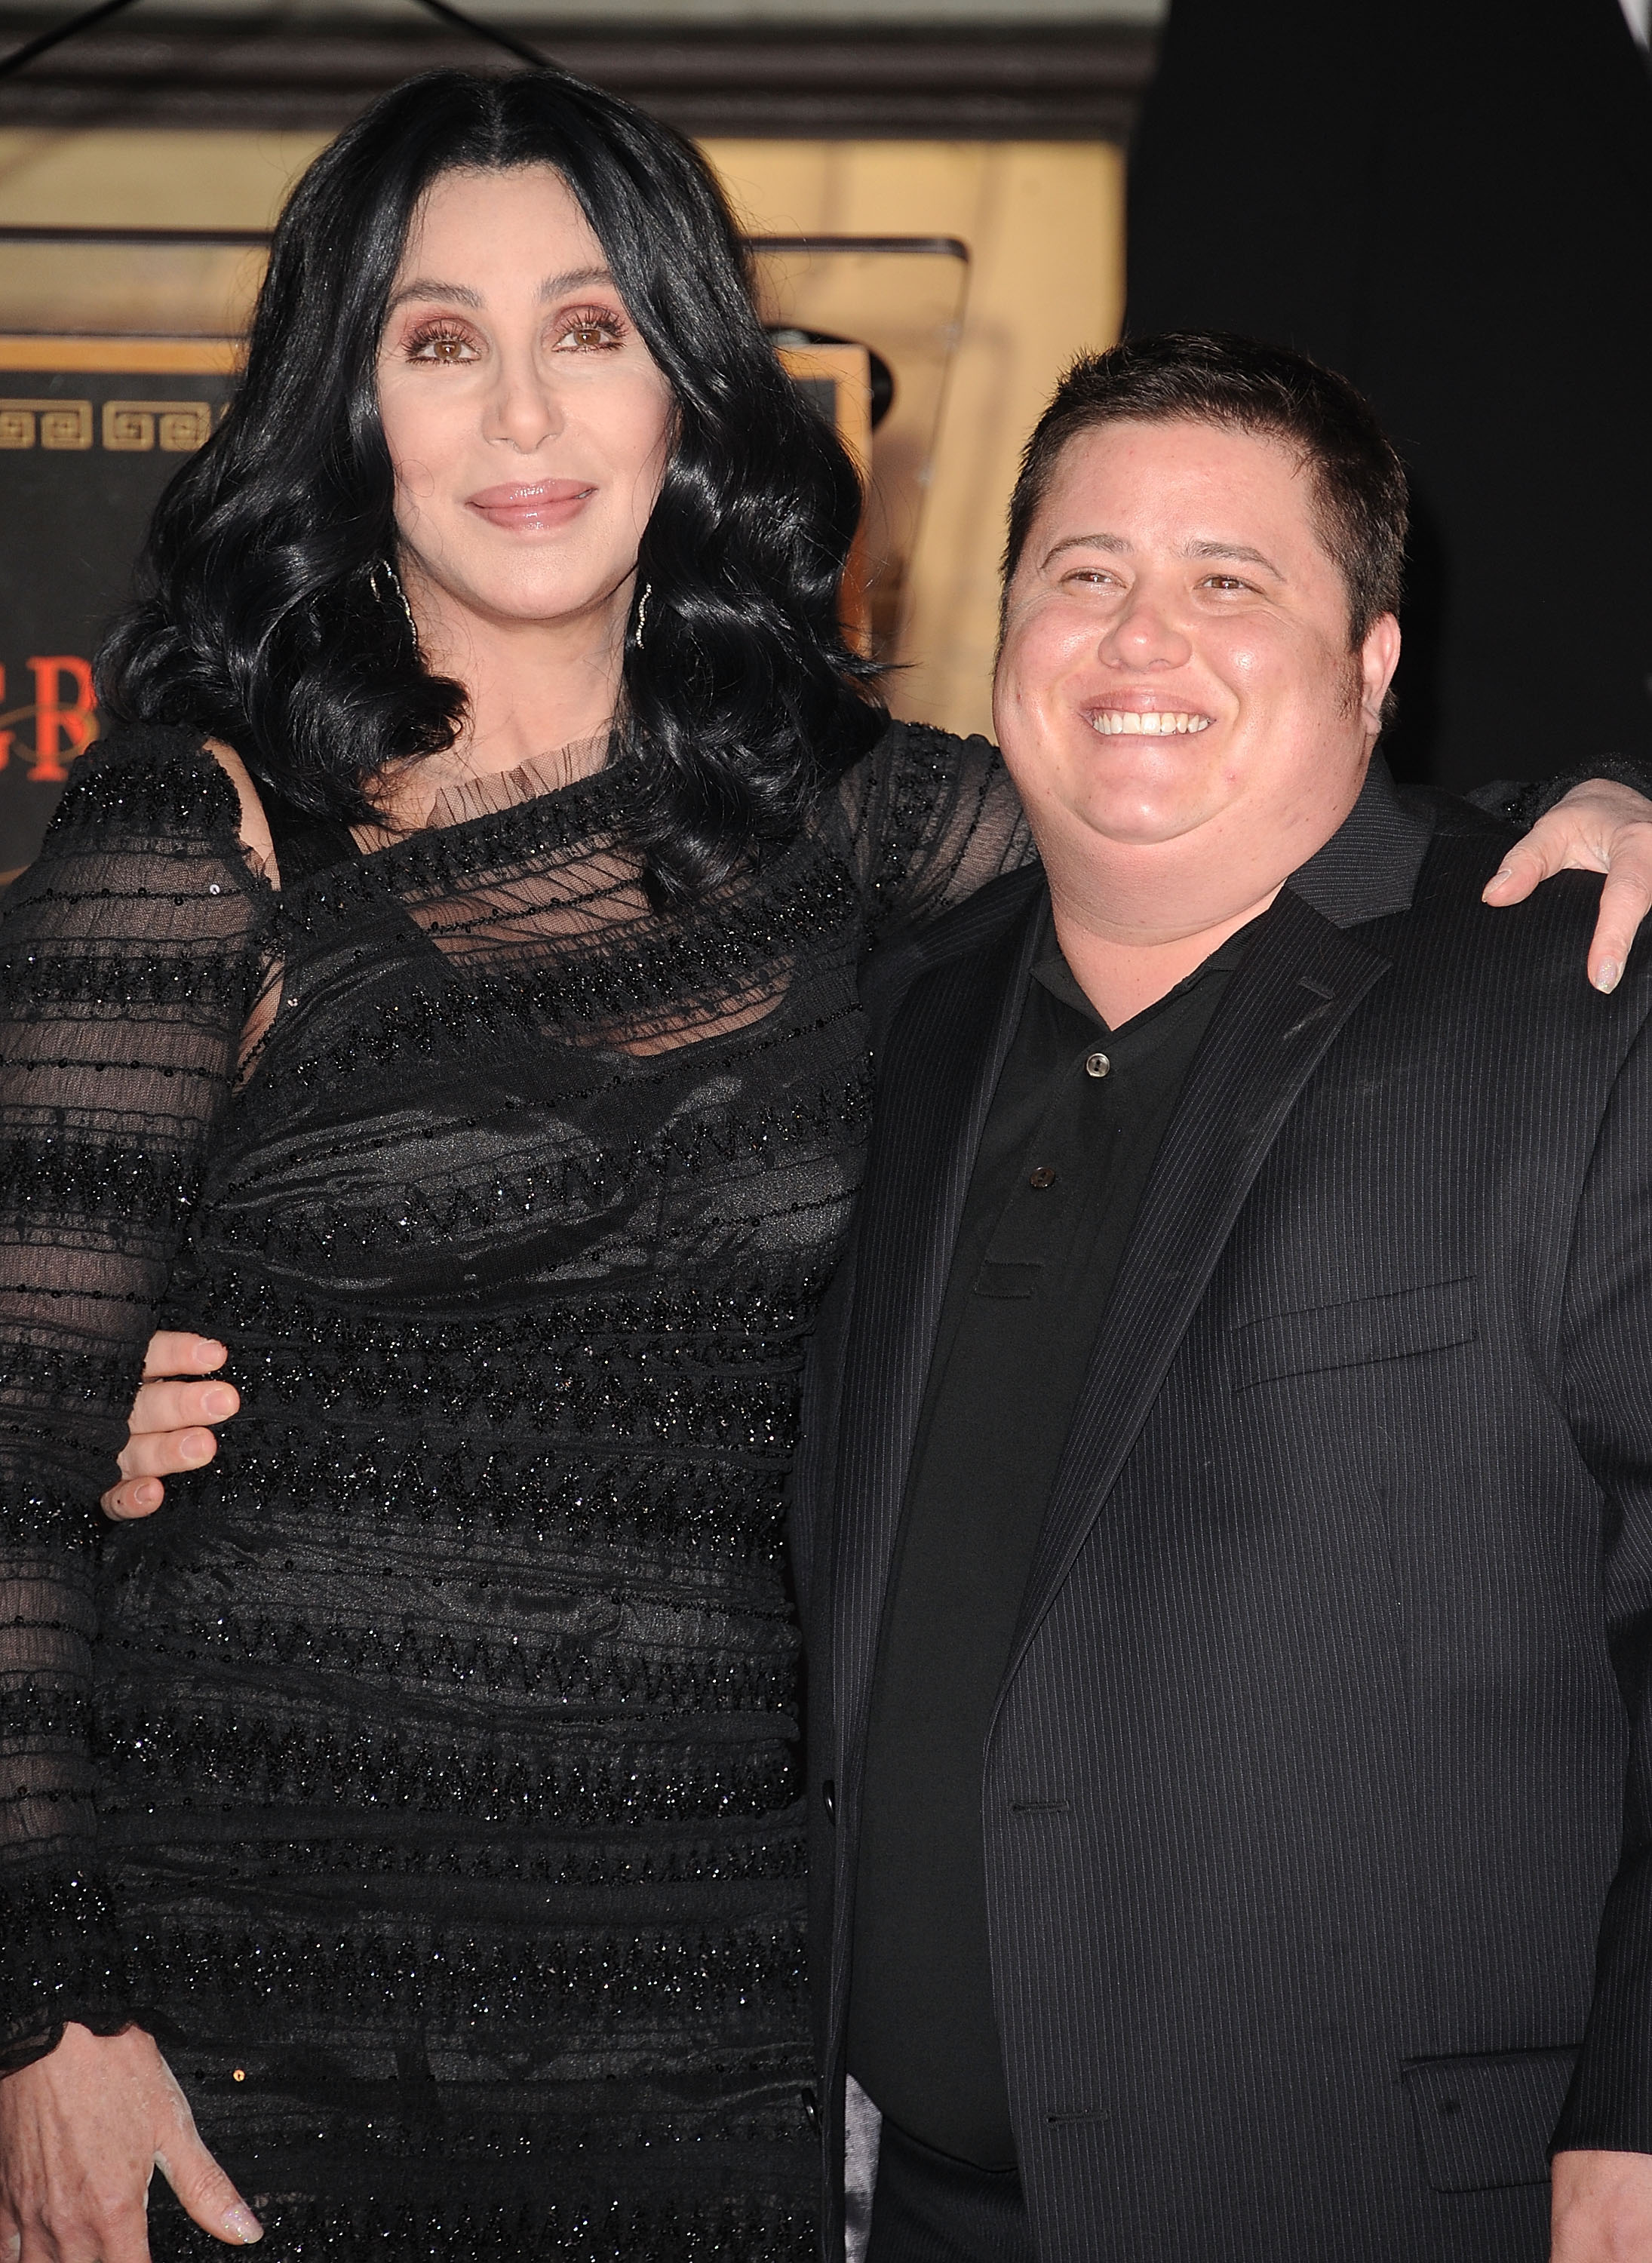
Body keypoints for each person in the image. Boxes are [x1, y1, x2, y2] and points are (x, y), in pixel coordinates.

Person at [14, 113, 1652, 2263]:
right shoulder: (200, 830)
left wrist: (1583, 812)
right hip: (253, 2027)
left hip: (713, 2036)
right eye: (438, 342)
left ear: (680, 384)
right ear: (348, 405)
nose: (520, 411)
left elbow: (1199, 792)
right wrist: (44, 2014)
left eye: (585, 329)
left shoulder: (854, 831)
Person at [779, 331, 1652, 2263]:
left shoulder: (1572, 998)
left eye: (1227, 582)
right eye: (1084, 572)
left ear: (1375, 665)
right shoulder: (887, 1030)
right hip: (915, 2213)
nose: (1138, 636)